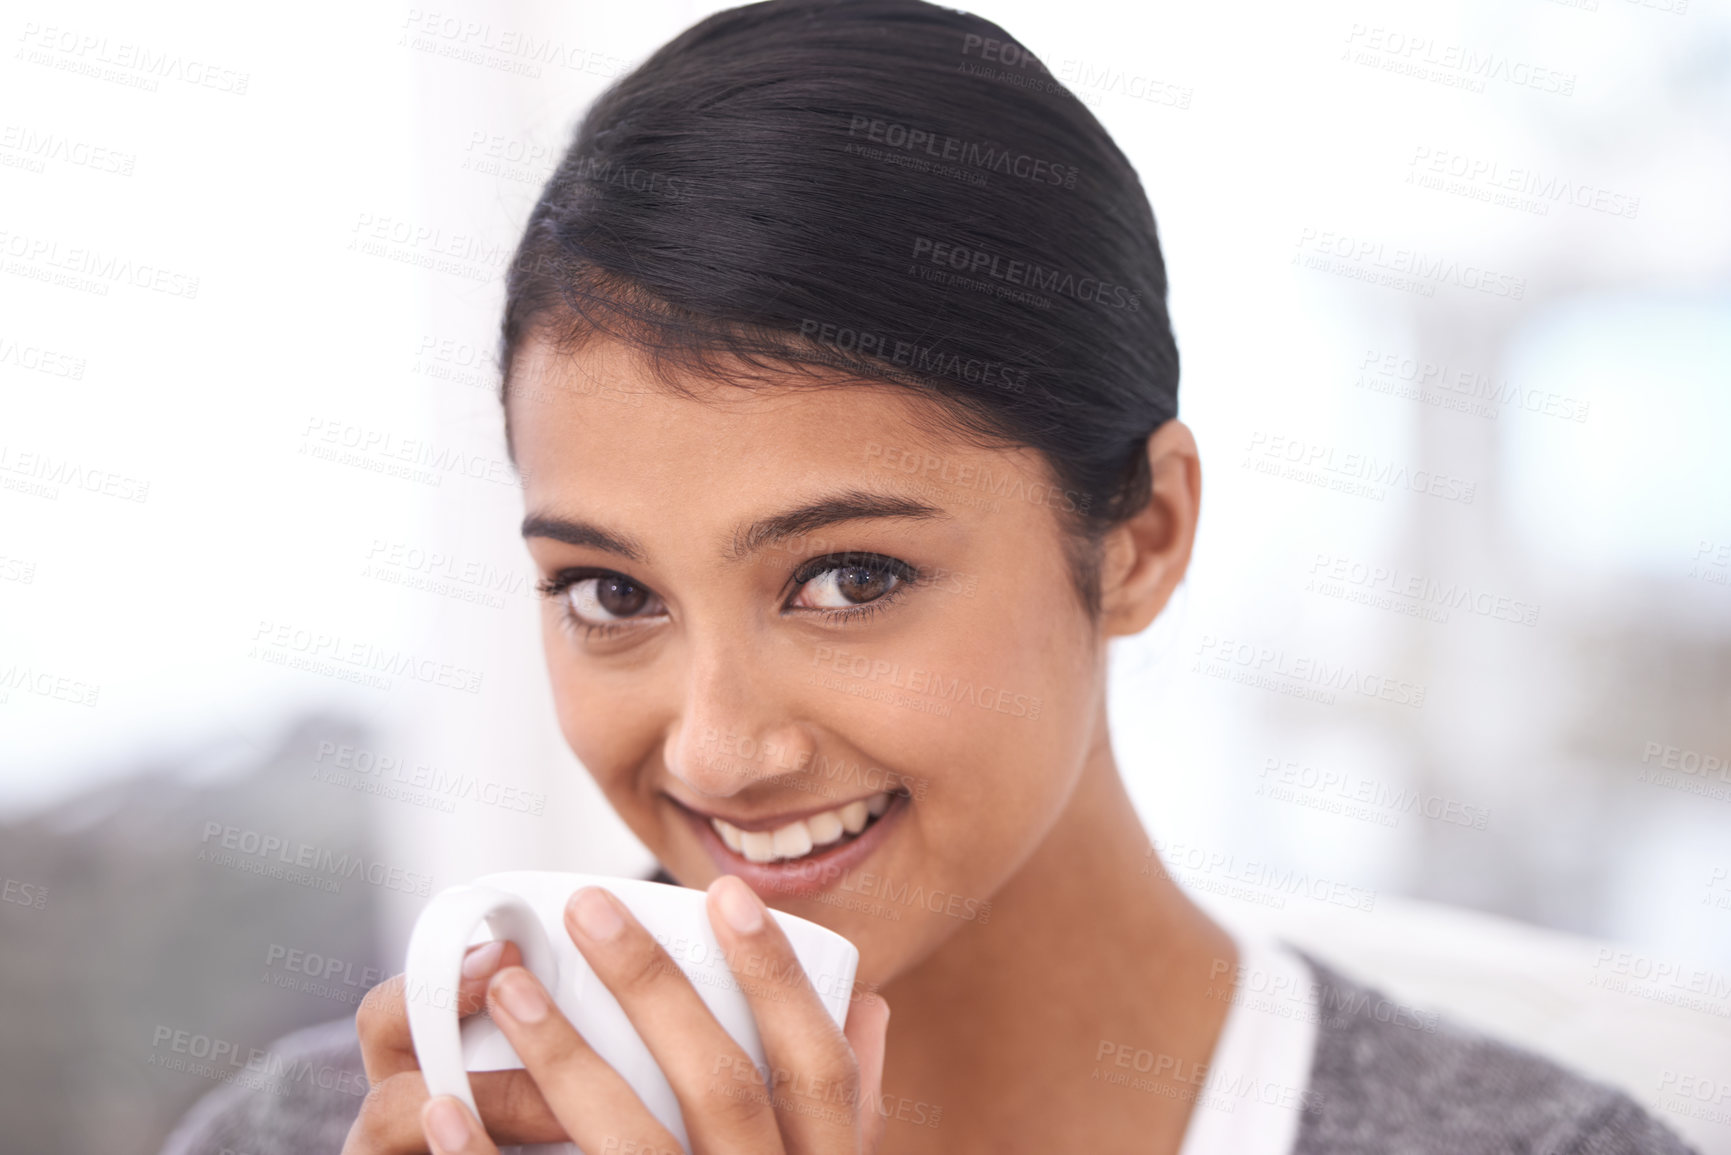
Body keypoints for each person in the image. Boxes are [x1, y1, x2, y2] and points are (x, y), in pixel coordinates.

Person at [162, 2, 1698, 1152]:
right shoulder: (321, 1134)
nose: (714, 749)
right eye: (611, 595)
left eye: (846, 578)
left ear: (1144, 534)